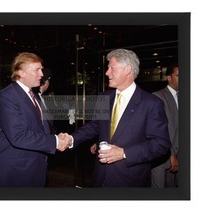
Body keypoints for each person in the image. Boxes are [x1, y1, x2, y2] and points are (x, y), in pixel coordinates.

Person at [68, 48, 171, 187]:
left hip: (131, 181)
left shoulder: (151, 103)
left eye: (112, 68)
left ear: (127, 69)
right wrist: (72, 139)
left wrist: (124, 153)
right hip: (100, 178)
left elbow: (161, 145)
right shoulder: (104, 97)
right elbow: (95, 125)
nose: (107, 72)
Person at [0, 52, 71, 187]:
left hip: (36, 168)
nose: (41, 74)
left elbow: (41, 128)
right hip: (16, 172)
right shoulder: (7, 96)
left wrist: (57, 137)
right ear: (21, 72)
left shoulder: (34, 95)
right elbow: (18, 136)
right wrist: (55, 141)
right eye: (37, 70)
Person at [151, 65, 179, 188]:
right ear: (168, 77)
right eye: (178, 75)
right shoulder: (158, 97)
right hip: (163, 155)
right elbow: (160, 129)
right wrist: (171, 154)